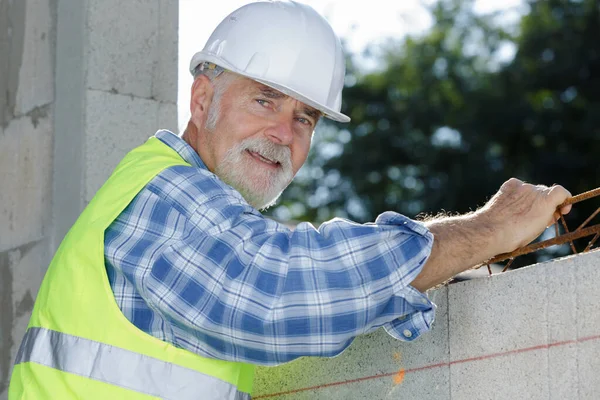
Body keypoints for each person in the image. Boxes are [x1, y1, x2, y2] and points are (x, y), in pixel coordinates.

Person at [9, 1, 571, 399]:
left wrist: (452, 267)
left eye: (304, 117)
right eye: (264, 100)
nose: (285, 133)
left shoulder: (183, 207)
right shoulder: (164, 197)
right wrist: (488, 230)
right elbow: (276, 291)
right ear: (203, 99)